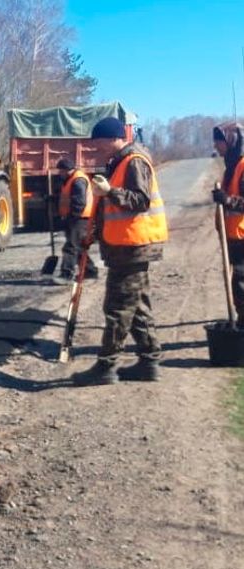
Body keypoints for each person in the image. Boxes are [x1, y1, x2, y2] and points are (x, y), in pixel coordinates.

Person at [72, 116, 168, 386]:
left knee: (116, 308)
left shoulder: (134, 161)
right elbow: (111, 209)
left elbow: (139, 200)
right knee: (137, 305)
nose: (97, 148)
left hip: (133, 246)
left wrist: (110, 191)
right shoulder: (120, 162)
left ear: (113, 138)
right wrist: (95, 232)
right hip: (124, 246)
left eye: (99, 143)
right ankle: (149, 361)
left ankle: (106, 367)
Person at [212, 122, 244, 326]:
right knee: (238, 282)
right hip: (234, 235)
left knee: (241, 282)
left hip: (243, 236)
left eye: (218, 142)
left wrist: (228, 200)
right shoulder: (230, 167)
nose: (216, 146)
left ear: (230, 141)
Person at [54, 157, 98, 284]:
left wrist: (72, 217)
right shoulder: (69, 179)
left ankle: (66, 274)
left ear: (68, 170)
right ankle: (90, 272)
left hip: (79, 218)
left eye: (61, 171)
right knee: (78, 246)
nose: (59, 173)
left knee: (71, 246)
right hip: (75, 217)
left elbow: (79, 202)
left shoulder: (78, 180)